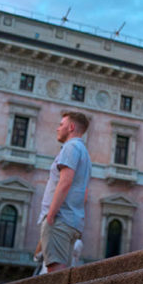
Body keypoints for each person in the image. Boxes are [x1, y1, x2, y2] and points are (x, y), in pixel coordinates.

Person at [37, 111, 91, 273]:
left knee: (55, 274)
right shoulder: (83, 151)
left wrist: (51, 215)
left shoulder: (70, 147)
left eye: (61, 125)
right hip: (72, 221)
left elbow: (65, 181)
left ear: (71, 127)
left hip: (60, 220)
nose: (57, 128)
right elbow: (85, 192)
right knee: (63, 273)